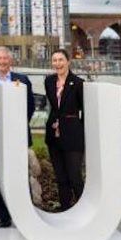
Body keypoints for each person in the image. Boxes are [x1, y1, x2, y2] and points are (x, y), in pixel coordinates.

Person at [0, 46, 34, 228]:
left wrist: (17, 126)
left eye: (5, 58)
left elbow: (30, 107)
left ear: (10, 60)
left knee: (21, 174)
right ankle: (4, 217)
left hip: (17, 136)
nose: (3, 62)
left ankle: (25, 217)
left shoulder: (23, 80)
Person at [44, 49, 86, 211]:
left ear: (68, 62)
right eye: (54, 60)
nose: (58, 64)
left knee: (75, 176)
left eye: (61, 60)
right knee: (61, 177)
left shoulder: (78, 83)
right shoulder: (49, 81)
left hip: (73, 135)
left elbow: (85, 110)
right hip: (54, 135)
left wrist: (77, 127)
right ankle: (65, 209)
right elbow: (55, 107)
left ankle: (83, 210)